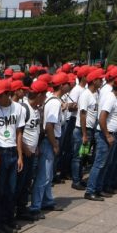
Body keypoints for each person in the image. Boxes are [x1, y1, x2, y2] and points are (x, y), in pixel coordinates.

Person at [0, 79, 25, 233]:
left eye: (0, 96)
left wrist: (20, 156)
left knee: (11, 190)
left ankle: (8, 220)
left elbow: (18, 132)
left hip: (12, 151)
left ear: (9, 94)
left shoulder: (18, 109)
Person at [31, 72, 67, 216]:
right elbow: (49, 126)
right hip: (49, 141)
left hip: (50, 140)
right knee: (43, 175)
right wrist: (55, 144)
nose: (70, 85)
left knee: (48, 175)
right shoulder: (54, 102)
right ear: (63, 86)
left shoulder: (54, 100)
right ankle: (35, 206)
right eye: (68, 83)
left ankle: (47, 201)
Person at [17, 80, 45, 221]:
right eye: (44, 95)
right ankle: (18, 210)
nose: (45, 98)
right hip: (24, 154)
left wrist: (36, 147)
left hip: (32, 152)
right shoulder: (24, 109)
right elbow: (18, 133)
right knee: (21, 184)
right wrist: (25, 149)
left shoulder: (36, 109)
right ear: (39, 95)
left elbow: (35, 129)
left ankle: (22, 208)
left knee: (27, 183)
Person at [71, 68, 104, 191]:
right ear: (94, 80)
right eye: (100, 79)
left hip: (89, 130)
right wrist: (84, 134)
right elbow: (82, 114)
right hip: (82, 130)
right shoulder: (85, 95)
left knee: (83, 155)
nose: (101, 81)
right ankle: (76, 181)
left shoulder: (94, 94)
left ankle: (79, 178)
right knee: (78, 156)